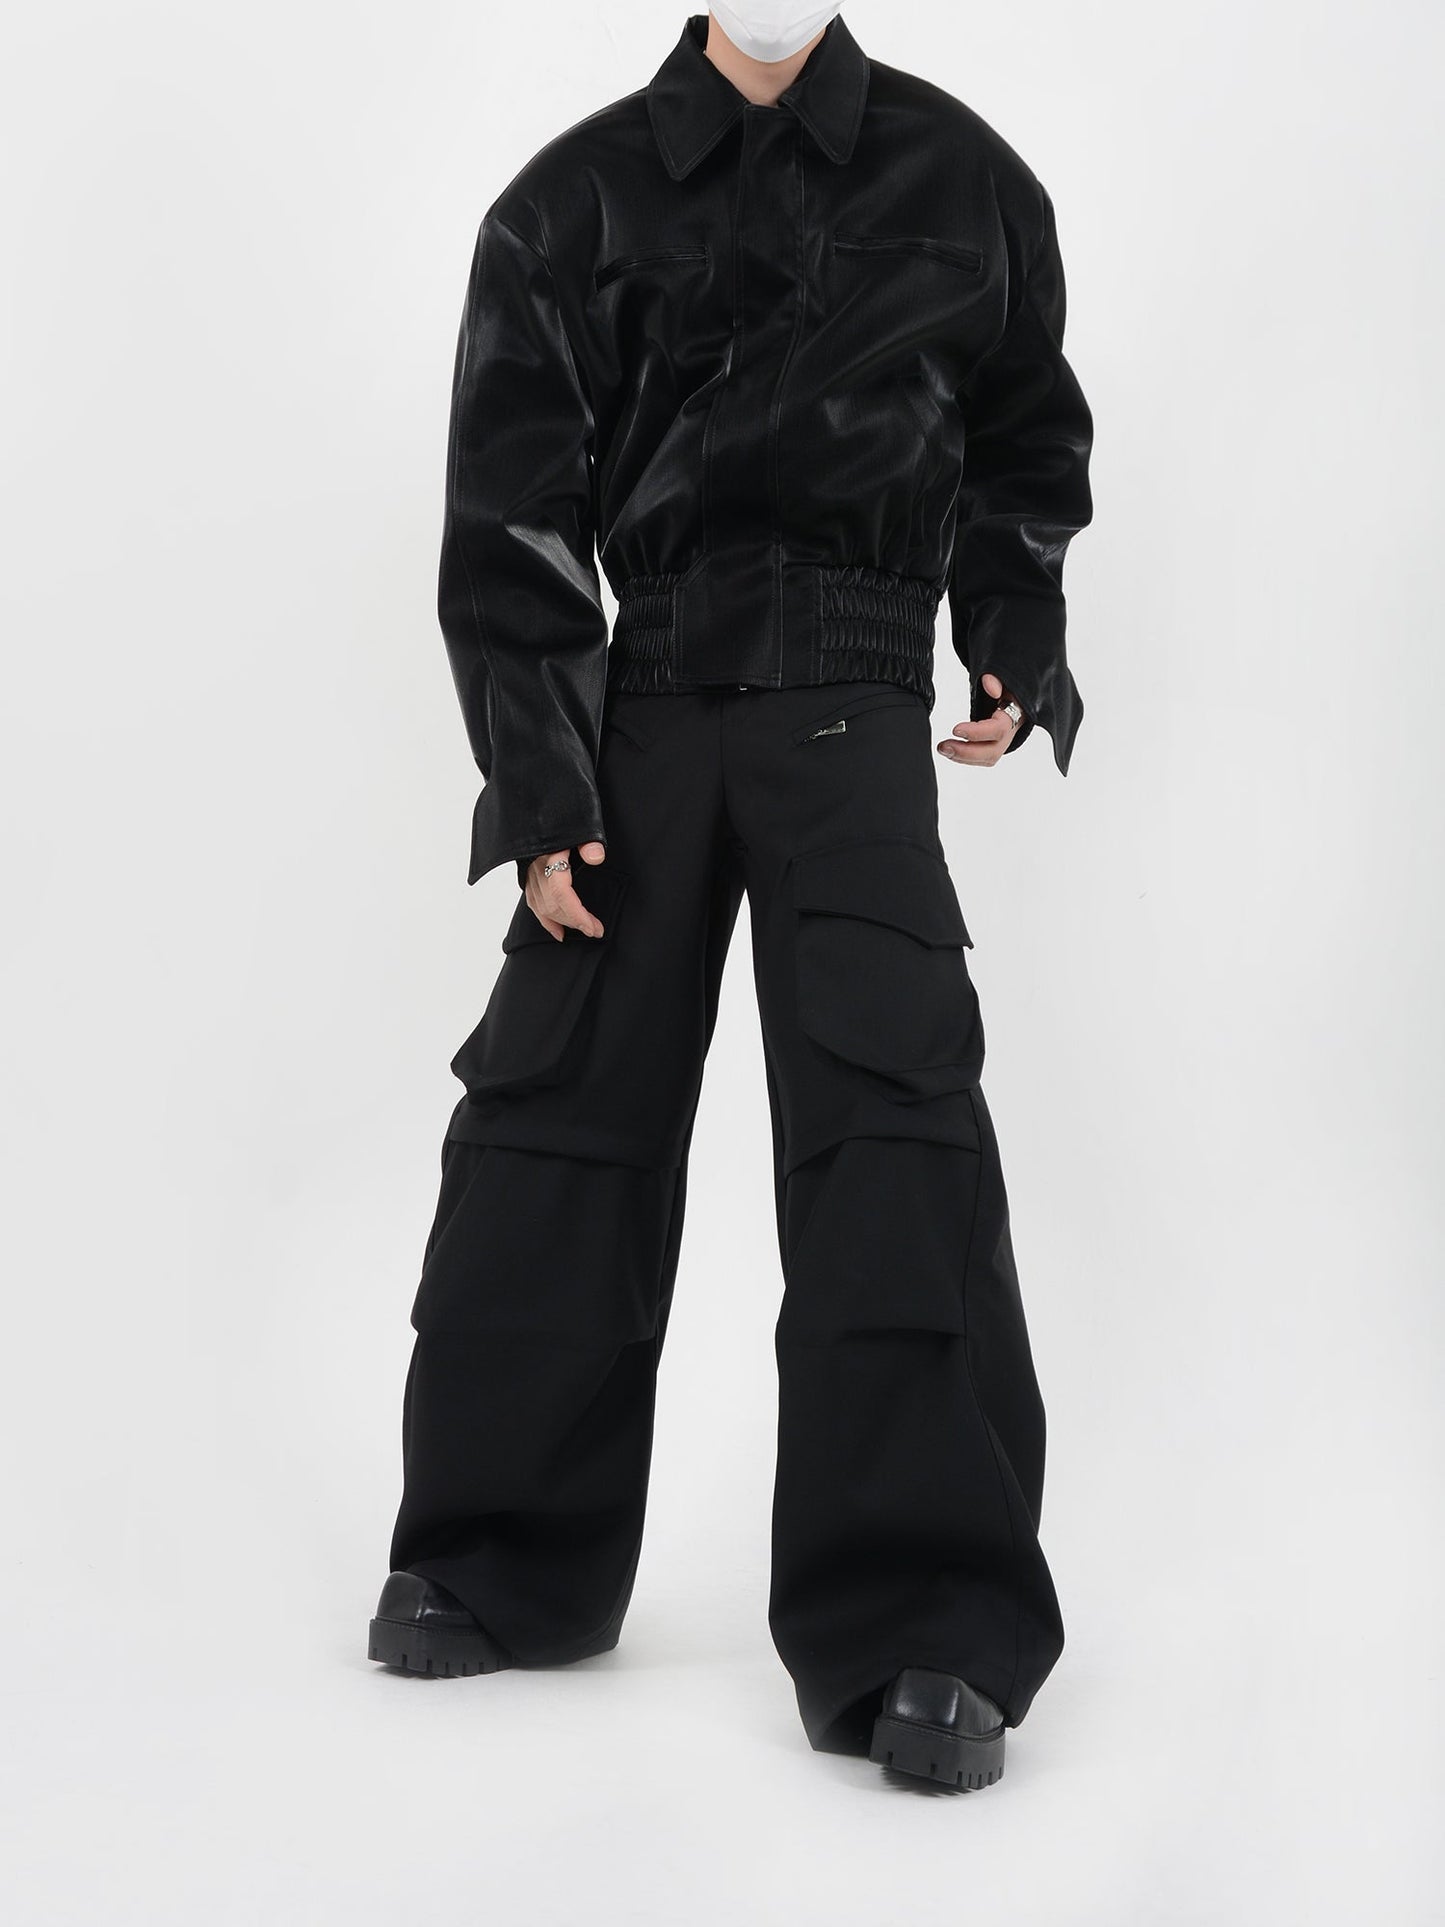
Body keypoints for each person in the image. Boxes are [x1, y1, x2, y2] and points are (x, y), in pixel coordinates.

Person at [368, 4, 1093, 1793]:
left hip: (854, 704)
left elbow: (1025, 444)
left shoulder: (965, 179)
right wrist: (542, 786)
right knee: (557, 1116)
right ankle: (493, 1552)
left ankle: (928, 1620)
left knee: (888, 1124)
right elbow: (509, 510)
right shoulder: (569, 201)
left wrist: (1010, 635)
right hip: (643, 717)